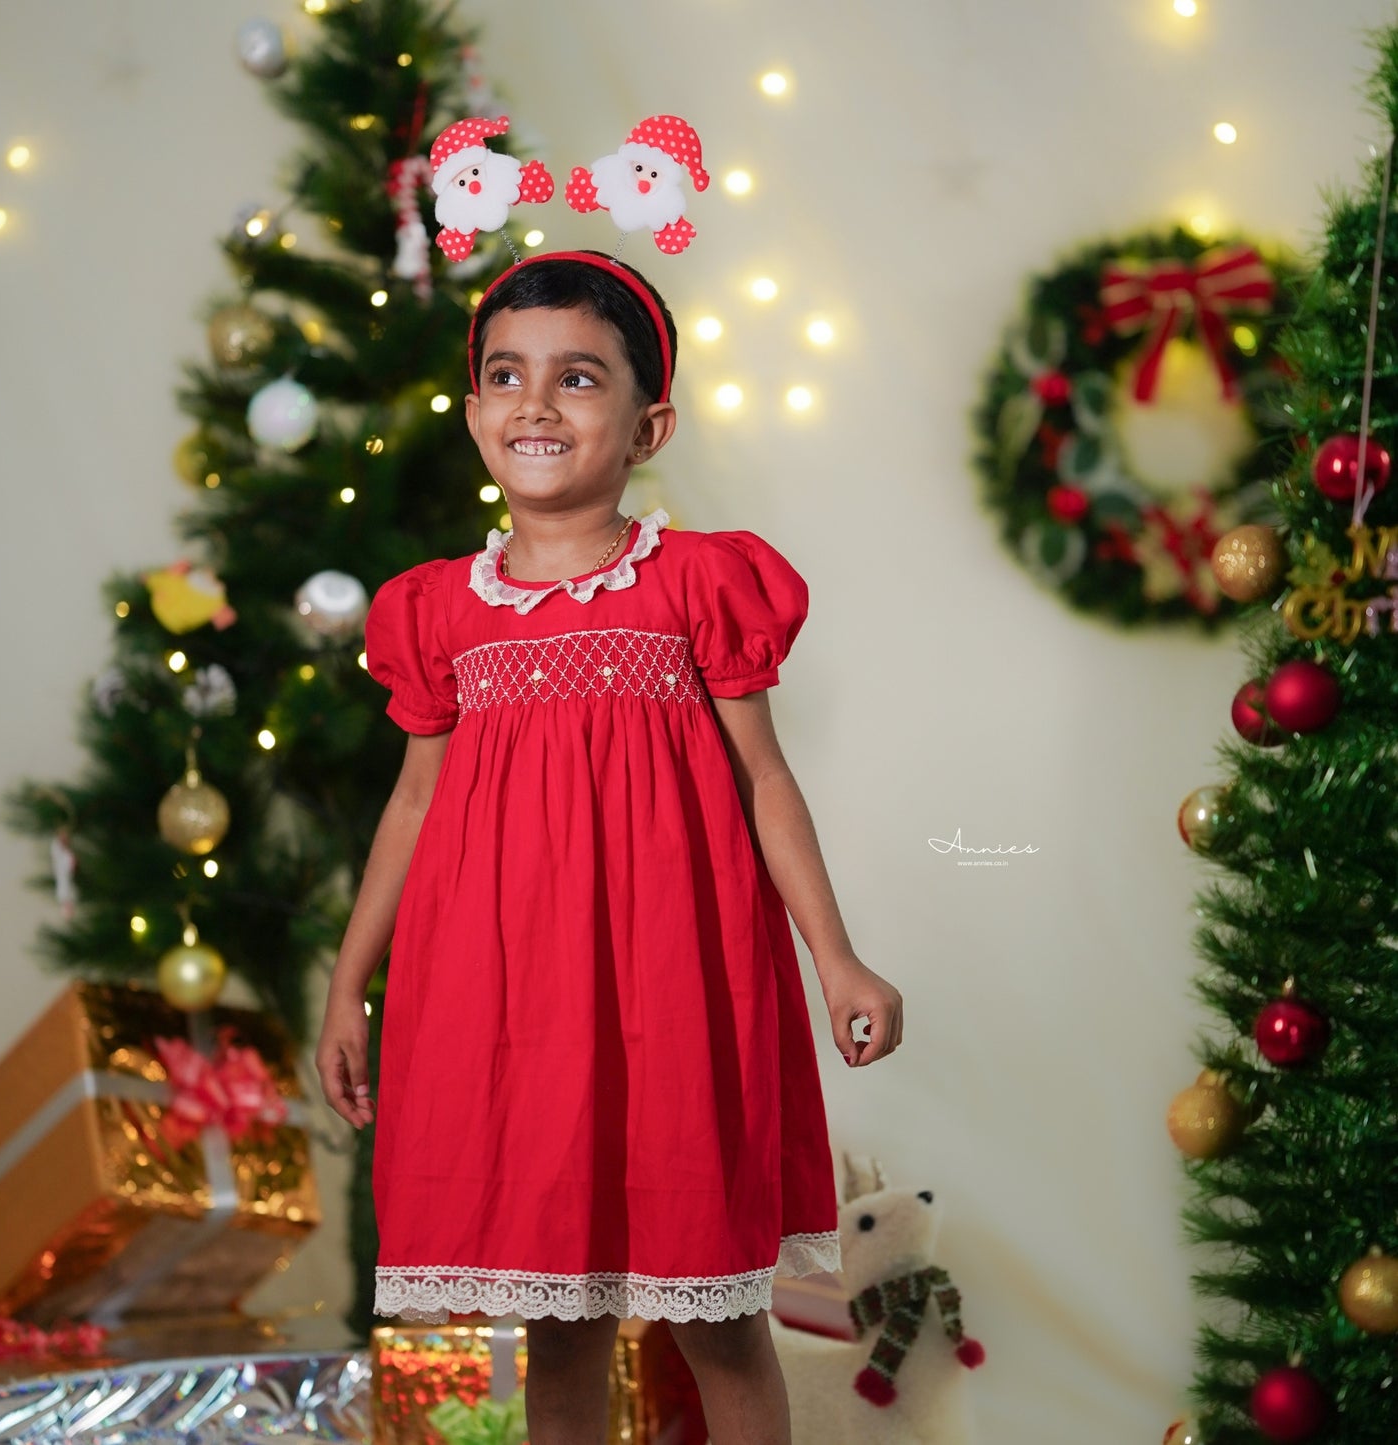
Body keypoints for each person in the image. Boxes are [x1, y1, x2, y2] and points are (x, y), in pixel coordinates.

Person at [316, 250, 904, 1445]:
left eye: (577, 378)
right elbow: (413, 807)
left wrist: (837, 958)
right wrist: (346, 984)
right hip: (511, 1001)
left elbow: (765, 780)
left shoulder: (697, 584)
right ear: (475, 408)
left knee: (719, 1318)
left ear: (648, 423)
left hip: (667, 988)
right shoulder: (439, 611)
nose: (536, 404)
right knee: (559, 1318)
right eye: (506, 376)